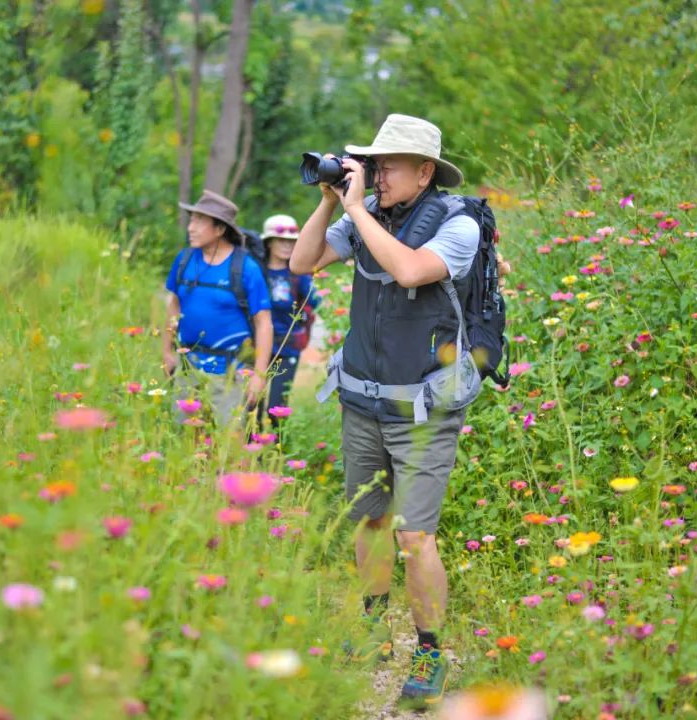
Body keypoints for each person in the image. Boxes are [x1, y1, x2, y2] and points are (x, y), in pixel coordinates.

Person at [290, 114, 482, 709]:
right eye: (370, 165)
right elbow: (302, 263)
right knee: (371, 521)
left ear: (425, 172)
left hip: (424, 412)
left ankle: (428, 652)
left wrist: (358, 211)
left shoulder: (459, 223)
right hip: (364, 403)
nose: (374, 175)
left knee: (415, 537)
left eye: (386, 165)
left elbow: (407, 270)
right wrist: (330, 202)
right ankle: (372, 630)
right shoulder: (366, 214)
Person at [163, 190, 273, 424]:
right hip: (187, 368)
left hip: (230, 373)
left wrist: (259, 375)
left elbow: (264, 323)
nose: (191, 227)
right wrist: (166, 351)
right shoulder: (184, 260)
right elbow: (173, 304)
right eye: (191, 220)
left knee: (227, 445)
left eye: (199, 221)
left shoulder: (246, 268)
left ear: (220, 229)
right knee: (185, 441)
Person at [256, 214, 320, 424]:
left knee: (276, 409)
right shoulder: (256, 271)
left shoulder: (298, 273)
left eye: (291, 242)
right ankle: (251, 452)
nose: (286, 245)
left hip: (287, 347)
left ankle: (275, 450)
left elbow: (315, 301)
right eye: (281, 240)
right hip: (256, 347)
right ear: (269, 242)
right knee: (252, 404)